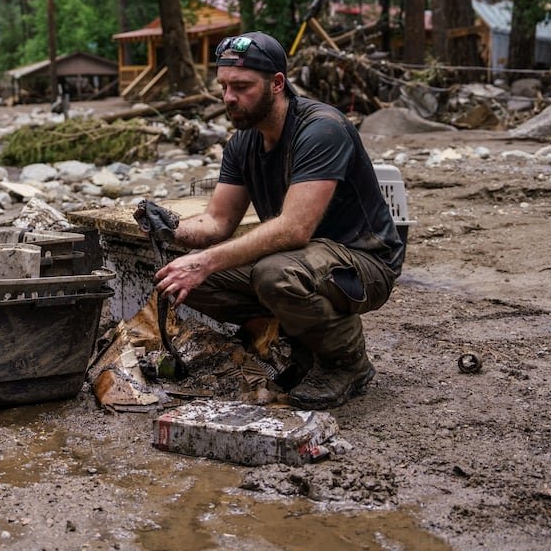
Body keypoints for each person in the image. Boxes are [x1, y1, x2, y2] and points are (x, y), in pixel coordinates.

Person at [150, 31, 404, 409]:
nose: (228, 97)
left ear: (277, 83)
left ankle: (346, 363)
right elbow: (217, 223)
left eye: (241, 86)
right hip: (303, 259)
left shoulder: (321, 129)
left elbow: (294, 228)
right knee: (181, 282)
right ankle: (300, 343)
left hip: (364, 261)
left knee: (274, 274)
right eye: (223, 86)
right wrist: (170, 226)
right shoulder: (243, 143)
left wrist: (204, 261)